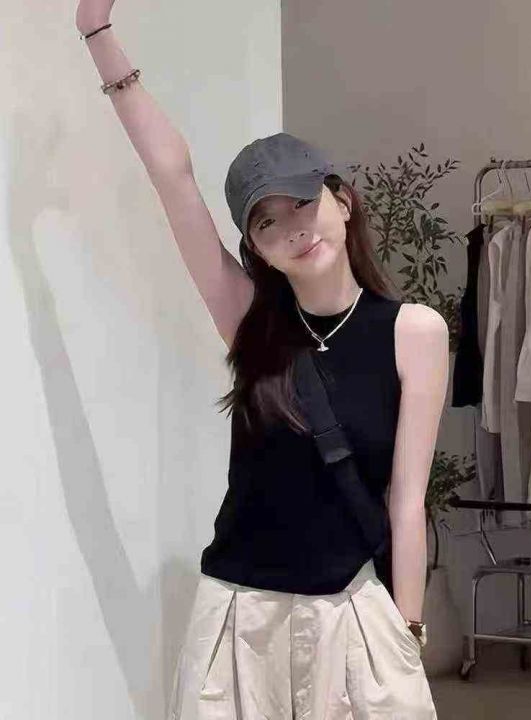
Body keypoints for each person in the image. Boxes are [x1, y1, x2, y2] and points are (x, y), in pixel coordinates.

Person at [77, 3, 448, 718]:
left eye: (303, 202)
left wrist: (407, 633)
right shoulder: (252, 322)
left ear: (342, 201)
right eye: (266, 221)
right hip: (238, 619)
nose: (293, 228)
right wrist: (97, 34)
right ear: (257, 249)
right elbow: (174, 179)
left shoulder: (414, 332)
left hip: (350, 616)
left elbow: (406, 502)